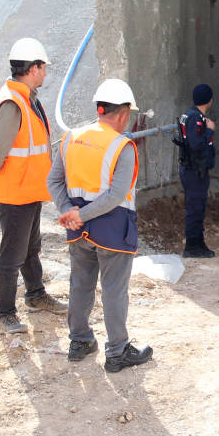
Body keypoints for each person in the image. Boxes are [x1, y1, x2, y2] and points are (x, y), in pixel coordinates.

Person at [48, 78, 153, 372]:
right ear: (122, 115)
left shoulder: (71, 138)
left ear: (99, 109)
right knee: (114, 290)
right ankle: (117, 351)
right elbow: (116, 196)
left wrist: (70, 211)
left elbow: (53, 180)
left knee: (80, 284)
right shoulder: (123, 146)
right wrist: (82, 214)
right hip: (112, 231)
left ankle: (79, 340)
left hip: (77, 230)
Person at [0, 38, 66, 336]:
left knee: (30, 248)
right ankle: (5, 314)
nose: (46, 73)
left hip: (29, 189)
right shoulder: (13, 102)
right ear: (33, 68)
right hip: (15, 192)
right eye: (43, 68)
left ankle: (36, 294)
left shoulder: (26, 97)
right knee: (12, 254)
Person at [175, 83, 217, 258]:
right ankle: (192, 247)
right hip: (194, 170)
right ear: (209, 100)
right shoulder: (196, 119)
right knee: (195, 208)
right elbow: (196, 144)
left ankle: (198, 243)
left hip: (193, 169)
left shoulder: (190, 115)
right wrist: (209, 131)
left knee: (197, 207)